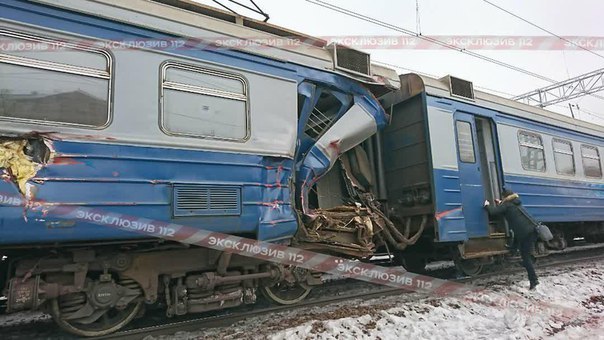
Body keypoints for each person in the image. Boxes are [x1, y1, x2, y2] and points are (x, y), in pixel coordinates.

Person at [484, 189, 539, 290]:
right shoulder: (514, 203)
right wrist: (501, 203)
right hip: (530, 231)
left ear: (505, 197)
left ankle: (534, 280)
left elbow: (493, 211)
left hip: (525, 234)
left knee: (525, 258)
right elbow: (506, 208)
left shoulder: (507, 205)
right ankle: (512, 251)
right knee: (519, 248)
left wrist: (487, 205)